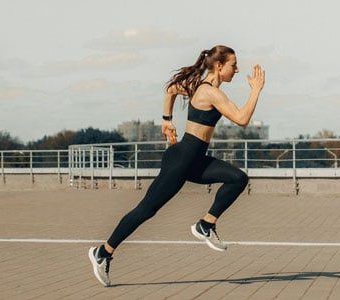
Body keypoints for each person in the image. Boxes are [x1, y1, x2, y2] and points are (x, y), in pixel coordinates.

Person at [88, 45, 265, 287]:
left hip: (194, 160)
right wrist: (255, 90)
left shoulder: (200, 87)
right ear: (219, 65)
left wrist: (166, 120)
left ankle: (206, 224)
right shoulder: (209, 92)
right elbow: (243, 119)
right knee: (145, 211)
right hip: (181, 161)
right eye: (234, 65)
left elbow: (171, 89)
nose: (237, 69)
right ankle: (103, 252)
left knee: (238, 178)